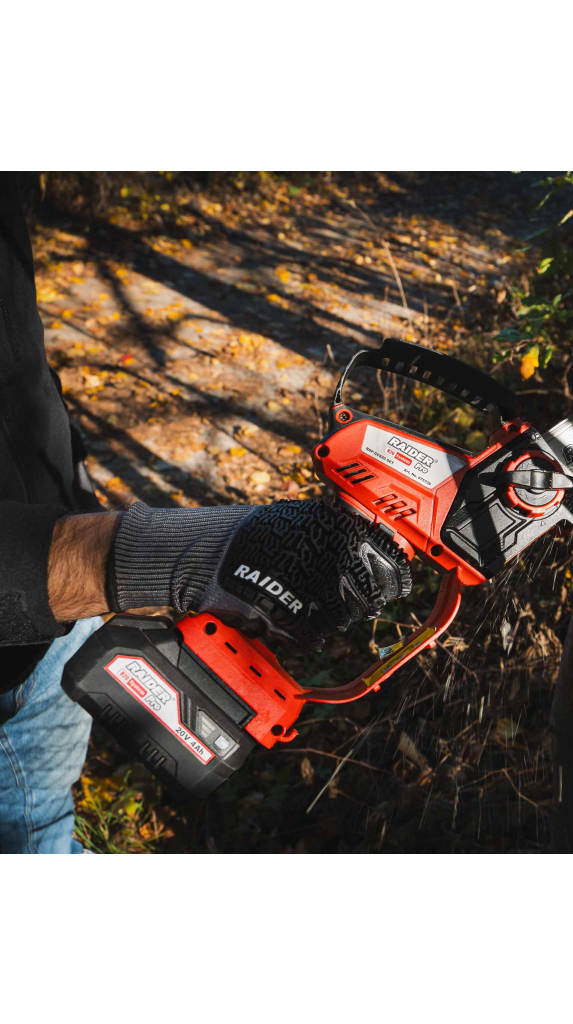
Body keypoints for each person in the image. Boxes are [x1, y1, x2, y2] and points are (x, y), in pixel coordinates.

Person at [0, 176, 408, 853]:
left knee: (43, 820)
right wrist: (175, 557)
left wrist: (67, 479)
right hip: (39, 593)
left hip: (54, 588)